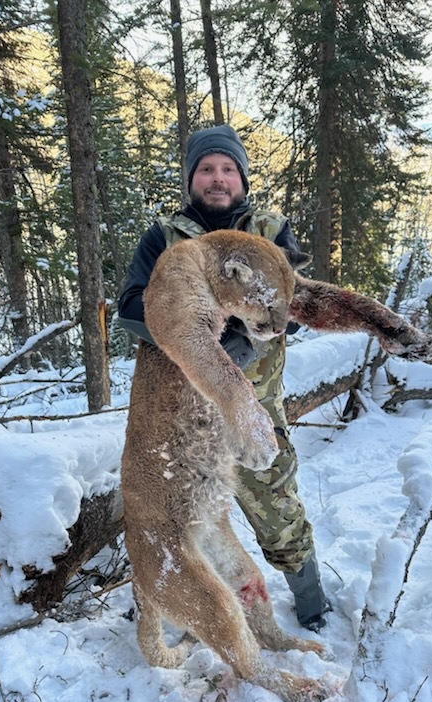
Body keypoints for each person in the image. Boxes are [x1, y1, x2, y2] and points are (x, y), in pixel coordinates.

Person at [118, 124, 332, 632]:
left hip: (254, 404)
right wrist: (192, 333)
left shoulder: (270, 232)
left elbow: (287, 305)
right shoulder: (163, 238)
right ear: (192, 179)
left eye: (228, 169)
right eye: (207, 169)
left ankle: (312, 600)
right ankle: (174, 605)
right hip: (180, 412)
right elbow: (130, 306)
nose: (218, 179)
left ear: (242, 177)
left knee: (275, 501)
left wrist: (237, 339)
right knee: (175, 511)